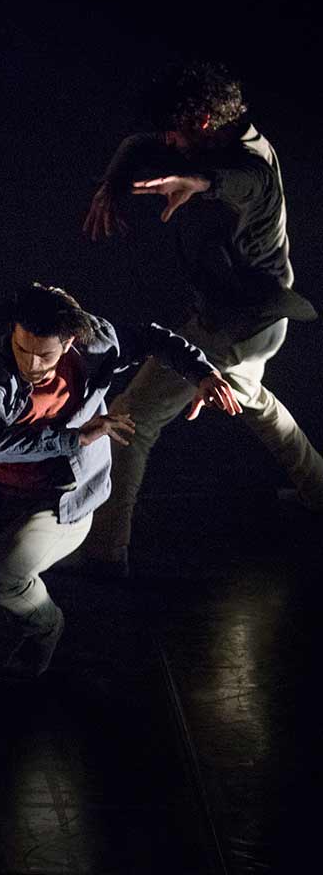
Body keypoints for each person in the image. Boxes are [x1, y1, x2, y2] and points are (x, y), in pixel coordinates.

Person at [0, 284, 238, 675]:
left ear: (68, 343)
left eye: (44, 355)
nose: (31, 364)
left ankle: (43, 629)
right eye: (22, 349)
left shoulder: (95, 345)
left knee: (0, 574)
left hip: (59, 496)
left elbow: (153, 338)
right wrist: (75, 437)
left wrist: (203, 373)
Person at [81, 60, 323, 575]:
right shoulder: (204, 141)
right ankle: (319, 489)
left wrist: (198, 182)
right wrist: (111, 185)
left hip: (239, 324)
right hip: (245, 320)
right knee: (253, 402)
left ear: (206, 123)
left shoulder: (248, 167)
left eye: (178, 131)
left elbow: (234, 183)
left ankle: (105, 551)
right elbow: (135, 144)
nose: (169, 139)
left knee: (133, 419)